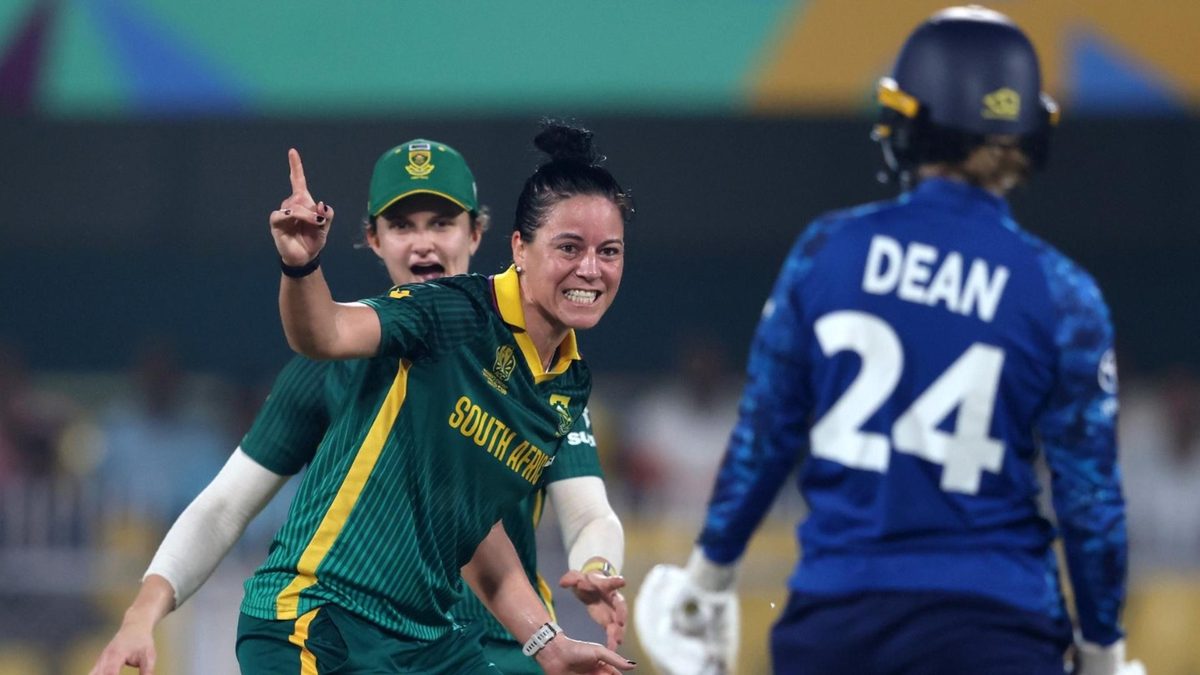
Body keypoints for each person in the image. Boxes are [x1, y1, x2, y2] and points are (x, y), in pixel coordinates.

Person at [635, 7, 1144, 675]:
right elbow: (1089, 496)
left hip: (837, 623)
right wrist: (1103, 650)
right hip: (998, 627)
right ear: (1028, 133)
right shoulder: (1063, 291)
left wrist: (708, 578)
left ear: (908, 123)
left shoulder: (827, 249)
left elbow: (766, 434)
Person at [91, 133, 631, 674]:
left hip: (457, 642)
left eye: (441, 223)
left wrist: (561, 623)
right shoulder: (444, 315)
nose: (423, 244)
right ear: (374, 238)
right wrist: (301, 268)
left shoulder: (562, 383)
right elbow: (319, 338)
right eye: (402, 225)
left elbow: (486, 528)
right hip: (325, 618)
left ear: (476, 231)